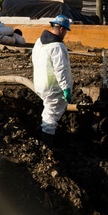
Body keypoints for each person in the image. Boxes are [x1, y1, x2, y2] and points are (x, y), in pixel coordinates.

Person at [31, 15, 73, 143]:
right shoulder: (57, 47)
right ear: (61, 29)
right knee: (51, 118)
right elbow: (60, 70)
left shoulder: (39, 42)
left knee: (47, 113)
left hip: (40, 84)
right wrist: (66, 88)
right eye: (65, 31)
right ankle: (47, 147)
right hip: (53, 87)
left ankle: (38, 137)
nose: (65, 34)